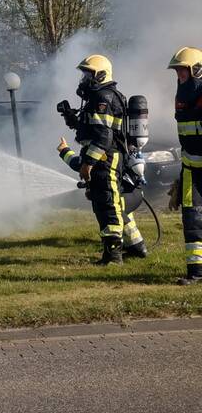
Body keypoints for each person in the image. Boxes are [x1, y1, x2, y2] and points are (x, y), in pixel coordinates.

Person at [59, 54, 138, 264]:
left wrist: (88, 164)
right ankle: (136, 246)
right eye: (84, 75)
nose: (84, 79)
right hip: (104, 157)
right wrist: (72, 119)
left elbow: (104, 137)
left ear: (101, 75)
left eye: (88, 75)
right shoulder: (97, 97)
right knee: (108, 203)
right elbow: (94, 129)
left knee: (107, 205)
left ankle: (113, 256)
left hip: (106, 158)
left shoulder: (103, 97)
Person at [56, 135, 146, 260]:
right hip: (132, 195)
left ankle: (113, 254)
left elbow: (81, 165)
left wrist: (64, 150)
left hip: (126, 195)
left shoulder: (101, 150)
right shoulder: (111, 148)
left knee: (109, 212)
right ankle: (138, 248)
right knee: (122, 214)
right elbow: (81, 164)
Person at [166, 46, 202, 285]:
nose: (179, 75)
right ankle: (196, 273)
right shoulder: (180, 99)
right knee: (192, 220)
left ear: (197, 71)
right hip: (190, 171)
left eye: (183, 70)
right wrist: (180, 178)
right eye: (177, 71)